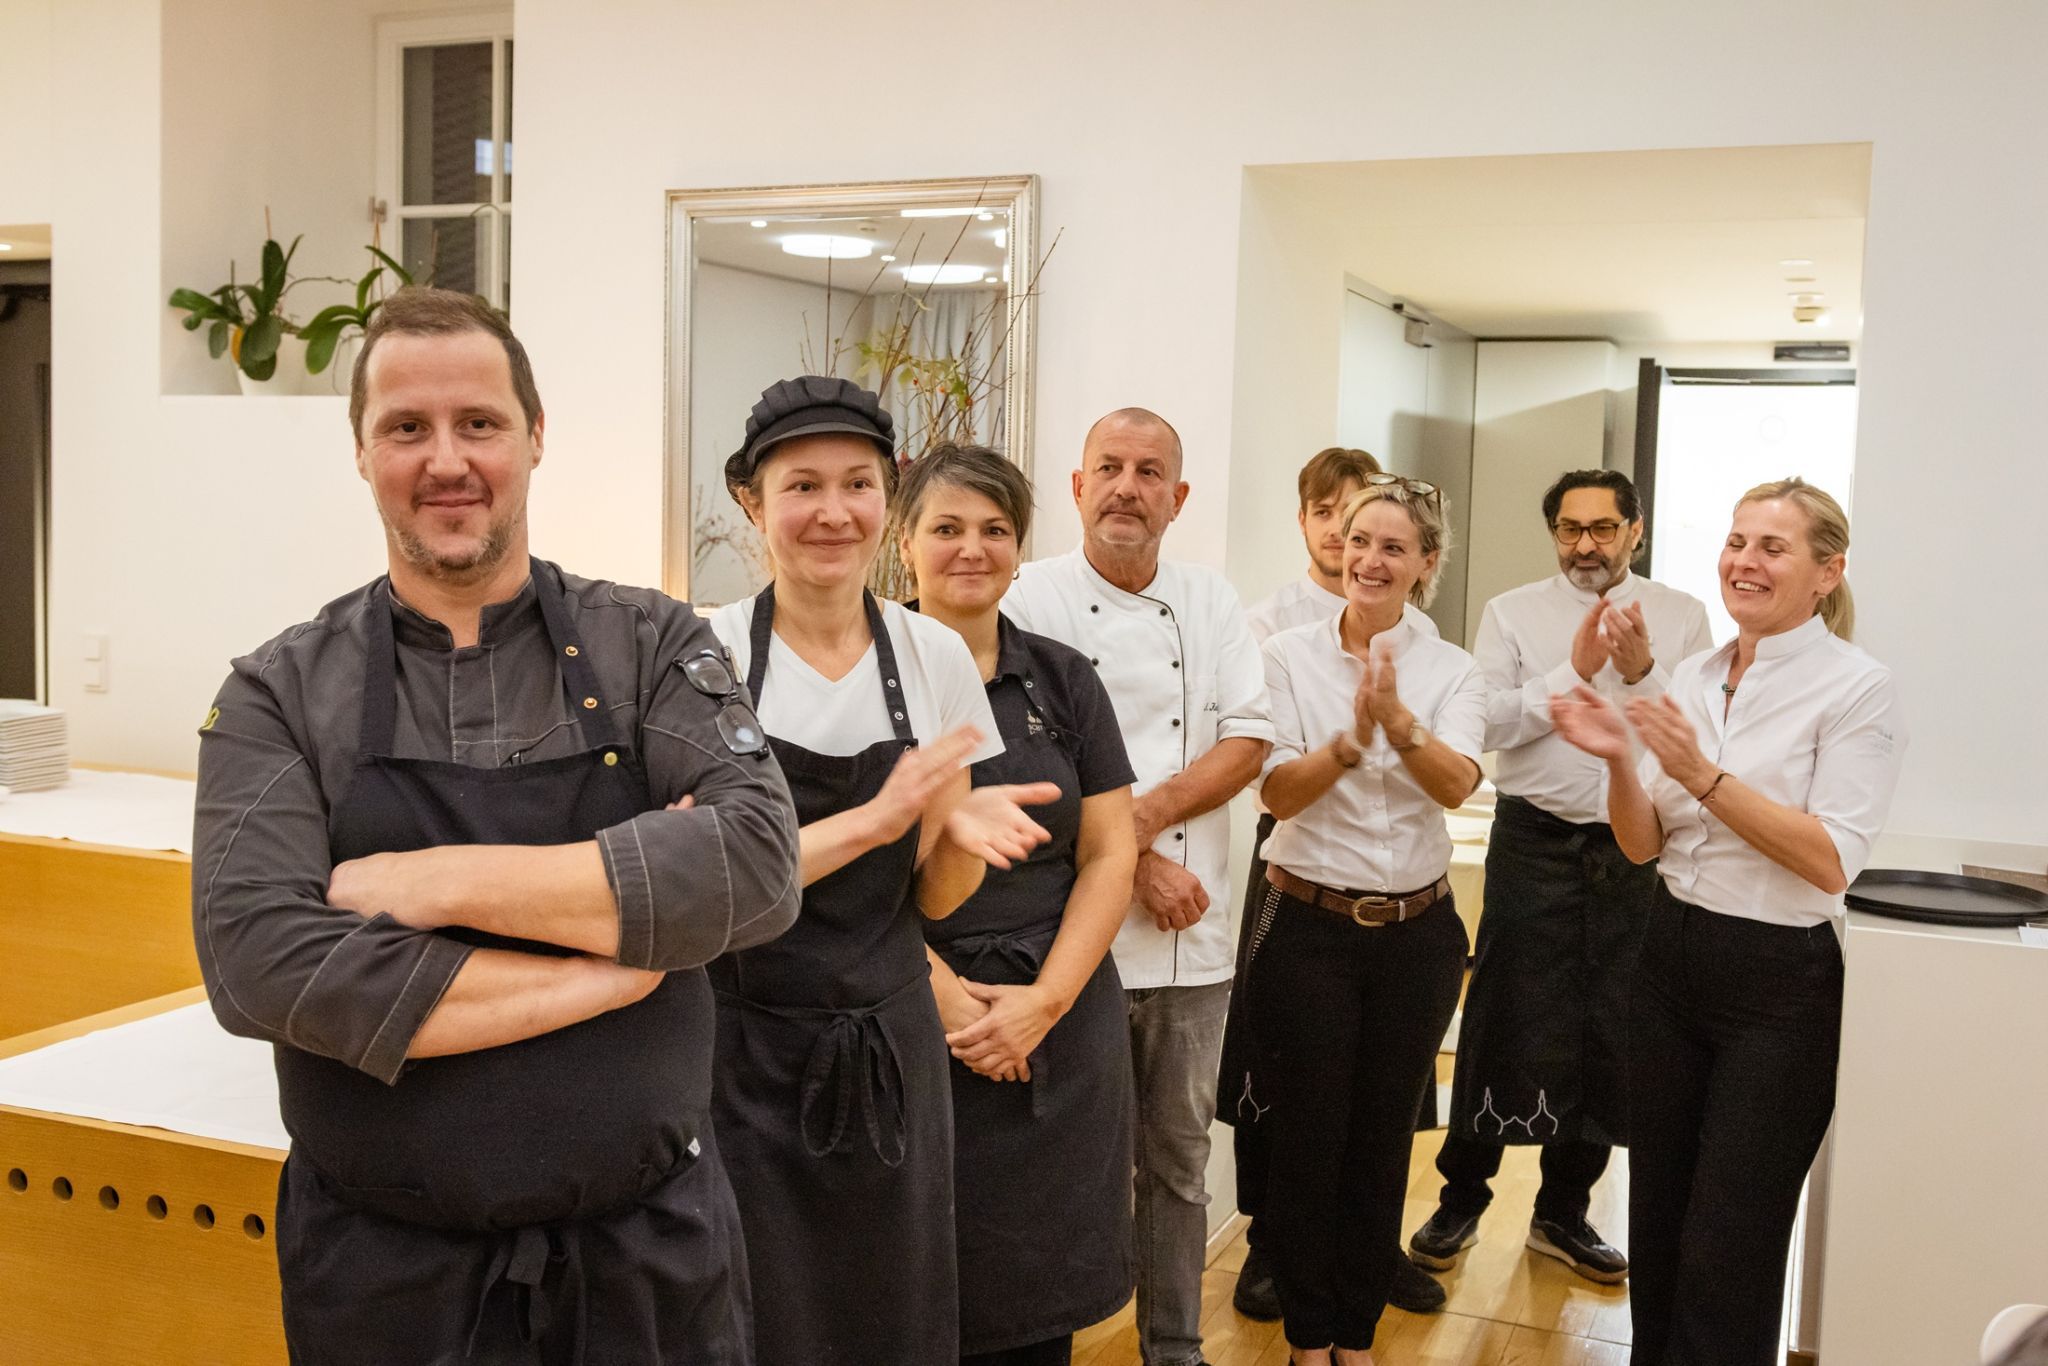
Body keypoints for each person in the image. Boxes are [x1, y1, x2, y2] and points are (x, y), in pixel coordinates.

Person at [190, 287, 802, 1364]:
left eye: (478, 423)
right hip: (385, 1283)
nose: (446, 460)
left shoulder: (648, 643)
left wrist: (422, 888)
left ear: (532, 436)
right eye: (405, 428)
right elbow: (259, 966)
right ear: (361, 451)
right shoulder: (278, 692)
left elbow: (754, 865)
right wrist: (608, 974)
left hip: (648, 1265)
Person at [707, 377, 1059, 1365]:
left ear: (886, 499)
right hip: (742, 1047)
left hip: (890, 1037)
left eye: (856, 483)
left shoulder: (931, 653)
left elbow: (936, 901)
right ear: (751, 499)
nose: (831, 511)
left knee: (891, 1313)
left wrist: (954, 837)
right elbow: (716, 886)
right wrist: (888, 813)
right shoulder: (704, 654)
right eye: (801, 485)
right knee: (754, 1315)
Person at [1550, 477, 1905, 1366]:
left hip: (1779, 987)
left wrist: (1703, 775)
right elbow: (1641, 846)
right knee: (1661, 1221)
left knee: (1730, 1245)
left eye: (1772, 547)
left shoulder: (1858, 689)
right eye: (1737, 541)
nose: (1744, 561)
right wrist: (1621, 765)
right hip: (1669, 960)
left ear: (1828, 573)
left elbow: (1830, 858)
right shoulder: (1702, 674)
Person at [1004, 408, 1274, 1366]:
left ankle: (1174, 1347)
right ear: (1077, 487)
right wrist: (1137, 864)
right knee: (1064, 1163)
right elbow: (1028, 764)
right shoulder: (1027, 598)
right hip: (1067, 936)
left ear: (1178, 497)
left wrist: (1144, 825)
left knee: (1180, 1160)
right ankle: (1052, 1343)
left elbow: (1249, 739)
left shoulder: (1210, 600)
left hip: (1190, 941)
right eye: (1108, 468)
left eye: (1149, 471)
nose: (1127, 486)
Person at [1408, 469, 1713, 1284]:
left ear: (1635, 531)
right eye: (1570, 529)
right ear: (1553, 534)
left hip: (1638, 849)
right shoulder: (1512, 612)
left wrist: (1645, 670)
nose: (1586, 545)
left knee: (1610, 1026)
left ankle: (1562, 1215)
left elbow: (1701, 734)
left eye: (1603, 528)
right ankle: (1460, 1200)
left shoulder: (1683, 617)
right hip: (1533, 839)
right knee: (1505, 1010)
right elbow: (1487, 721)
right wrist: (1571, 676)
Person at [898, 442, 1141, 1366]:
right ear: (905, 543)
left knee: (1040, 1316)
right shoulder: (863, 678)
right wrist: (951, 1002)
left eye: (994, 529)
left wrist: (1045, 1002)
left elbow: (1111, 851)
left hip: (1061, 1012)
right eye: (946, 527)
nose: (972, 548)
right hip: (911, 1012)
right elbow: (835, 881)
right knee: (914, 1294)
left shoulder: (1062, 678)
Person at [1238, 477, 1485, 1365]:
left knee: (1384, 1141)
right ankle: (1308, 1339)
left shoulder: (1453, 667)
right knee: (1308, 1142)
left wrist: (1398, 721)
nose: (1370, 561)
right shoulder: (1286, 655)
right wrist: (1350, 739)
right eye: (1358, 543)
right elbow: (1274, 790)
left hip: (1419, 938)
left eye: (1393, 548)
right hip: (1307, 927)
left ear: (1425, 565)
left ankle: (1357, 1335)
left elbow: (1458, 785)